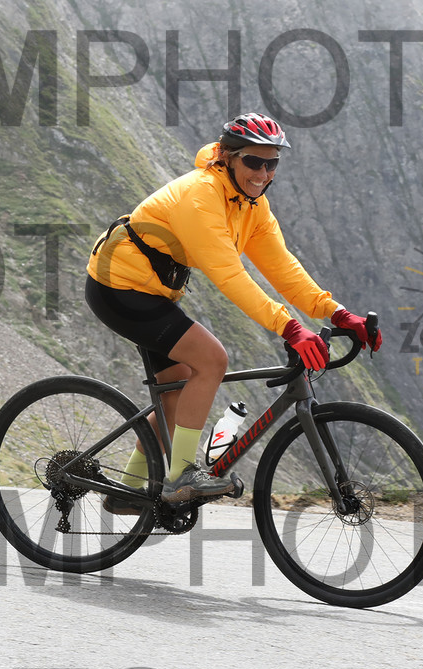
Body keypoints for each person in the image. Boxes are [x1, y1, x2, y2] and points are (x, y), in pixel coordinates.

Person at [85, 112, 381, 508]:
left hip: (155, 292)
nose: (263, 173)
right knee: (211, 360)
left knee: (175, 392)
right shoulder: (202, 196)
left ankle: (128, 493)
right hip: (118, 287)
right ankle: (180, 476)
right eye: (253, 162)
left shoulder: (250, 204)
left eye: (272, 163)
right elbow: (230, 276)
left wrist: (337, 313)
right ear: (227, 156)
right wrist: (289, 327)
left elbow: (283, 268)